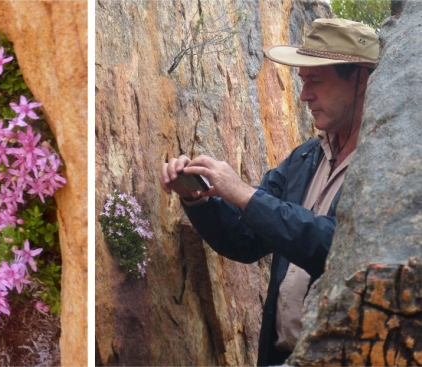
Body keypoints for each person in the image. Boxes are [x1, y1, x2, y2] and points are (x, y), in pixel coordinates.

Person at [159, 18, 379, 366]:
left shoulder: (384, 164)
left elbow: (339, 248)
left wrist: (245, 195)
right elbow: (246, 242)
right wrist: (197, 200)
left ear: (360, 79)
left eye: (316, 81)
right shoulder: (305, 157)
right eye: (303, 81)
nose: (305, 94)